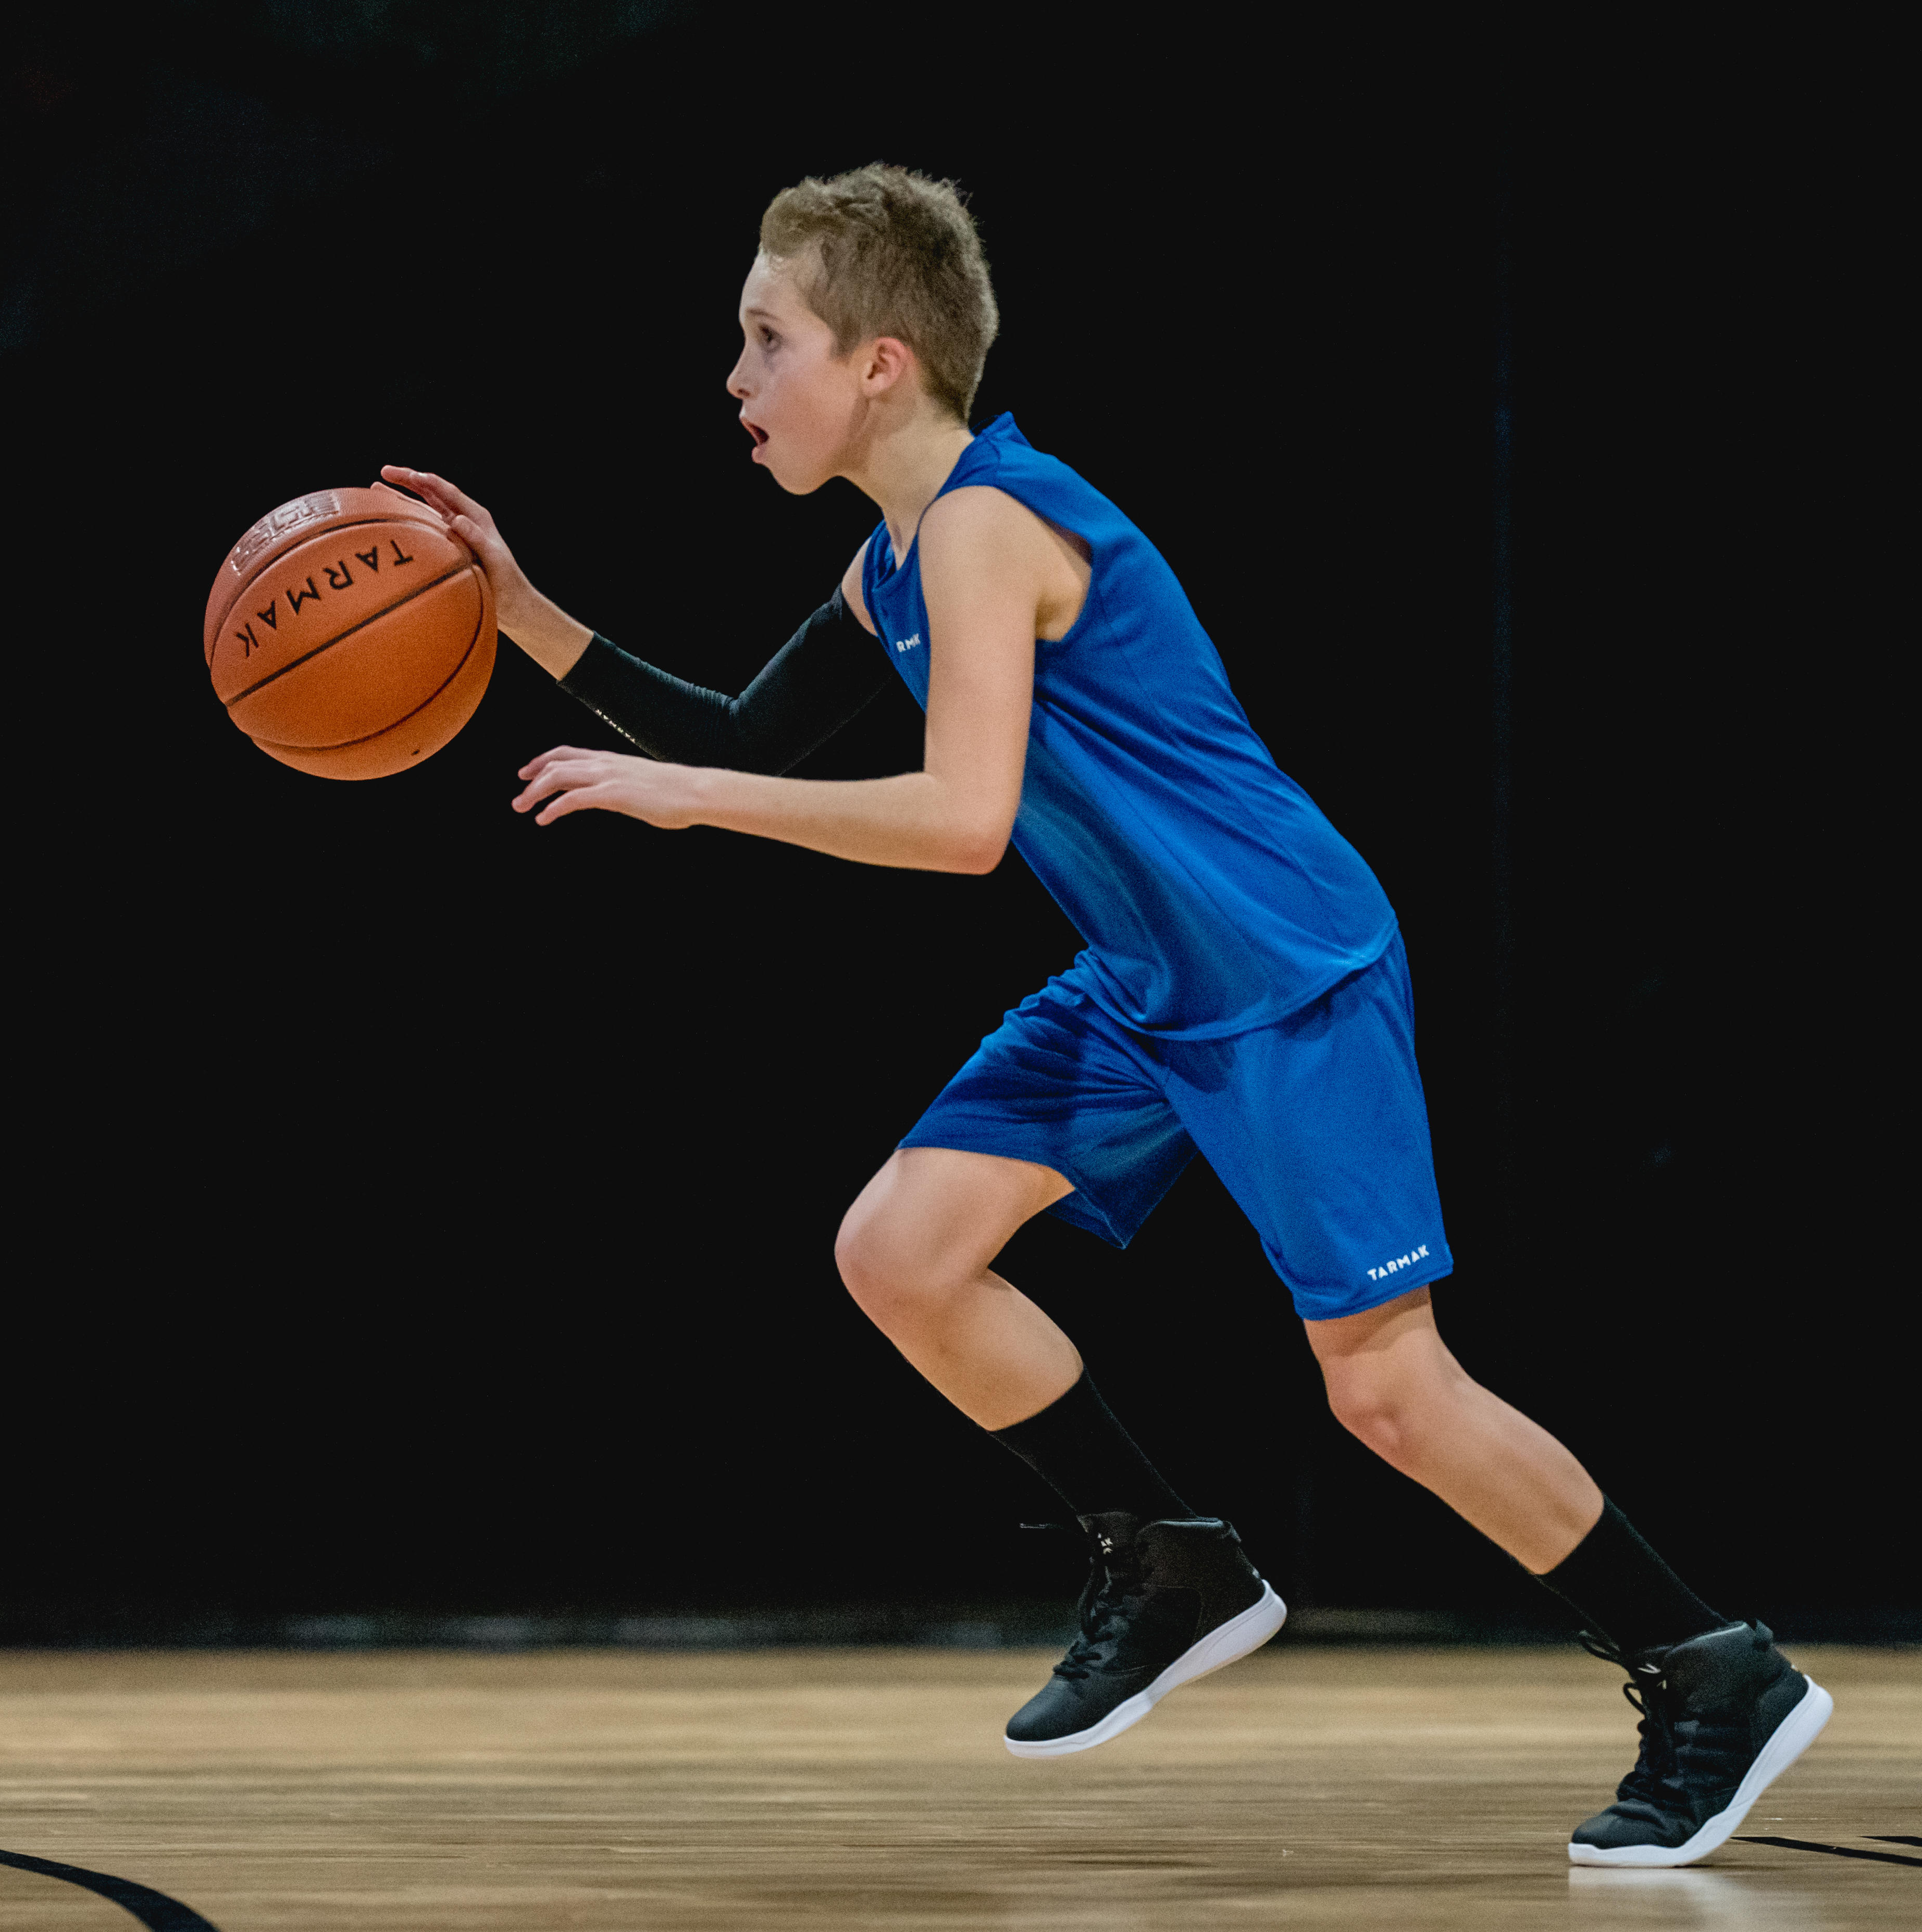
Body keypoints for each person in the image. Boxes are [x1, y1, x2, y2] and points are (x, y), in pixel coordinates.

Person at [381, 163, 1828, 1869]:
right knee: (900, 1248)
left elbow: (958, 819)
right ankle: (1170, 1557)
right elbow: (759, 741)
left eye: (763, 338)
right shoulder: (892, 562)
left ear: (880, 366)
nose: (734, 377)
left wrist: (686, 796)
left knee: (1386, 1394)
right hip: (1145, 984)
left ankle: (1710, 1667)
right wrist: (515, 606)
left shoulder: (993, 527)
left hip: (1281, 970)